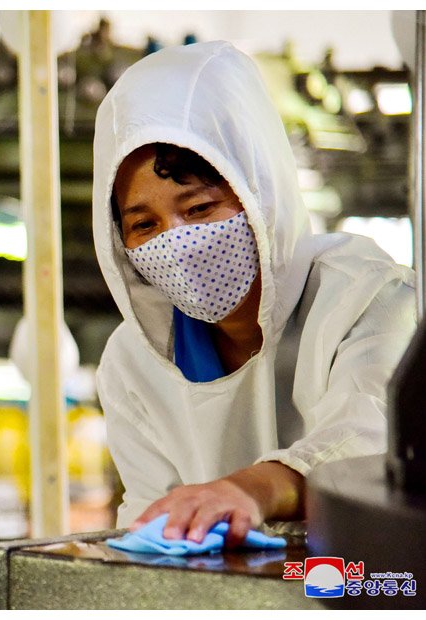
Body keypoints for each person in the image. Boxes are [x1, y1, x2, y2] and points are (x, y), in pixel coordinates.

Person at [92, 41, 416, 547]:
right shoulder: (133, 364)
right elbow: (152, 532)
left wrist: (248, 491)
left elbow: (369, 445)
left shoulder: (371, 299)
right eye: (144, 224)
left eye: (199, 209)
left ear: (259, 191)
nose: (176, 242)